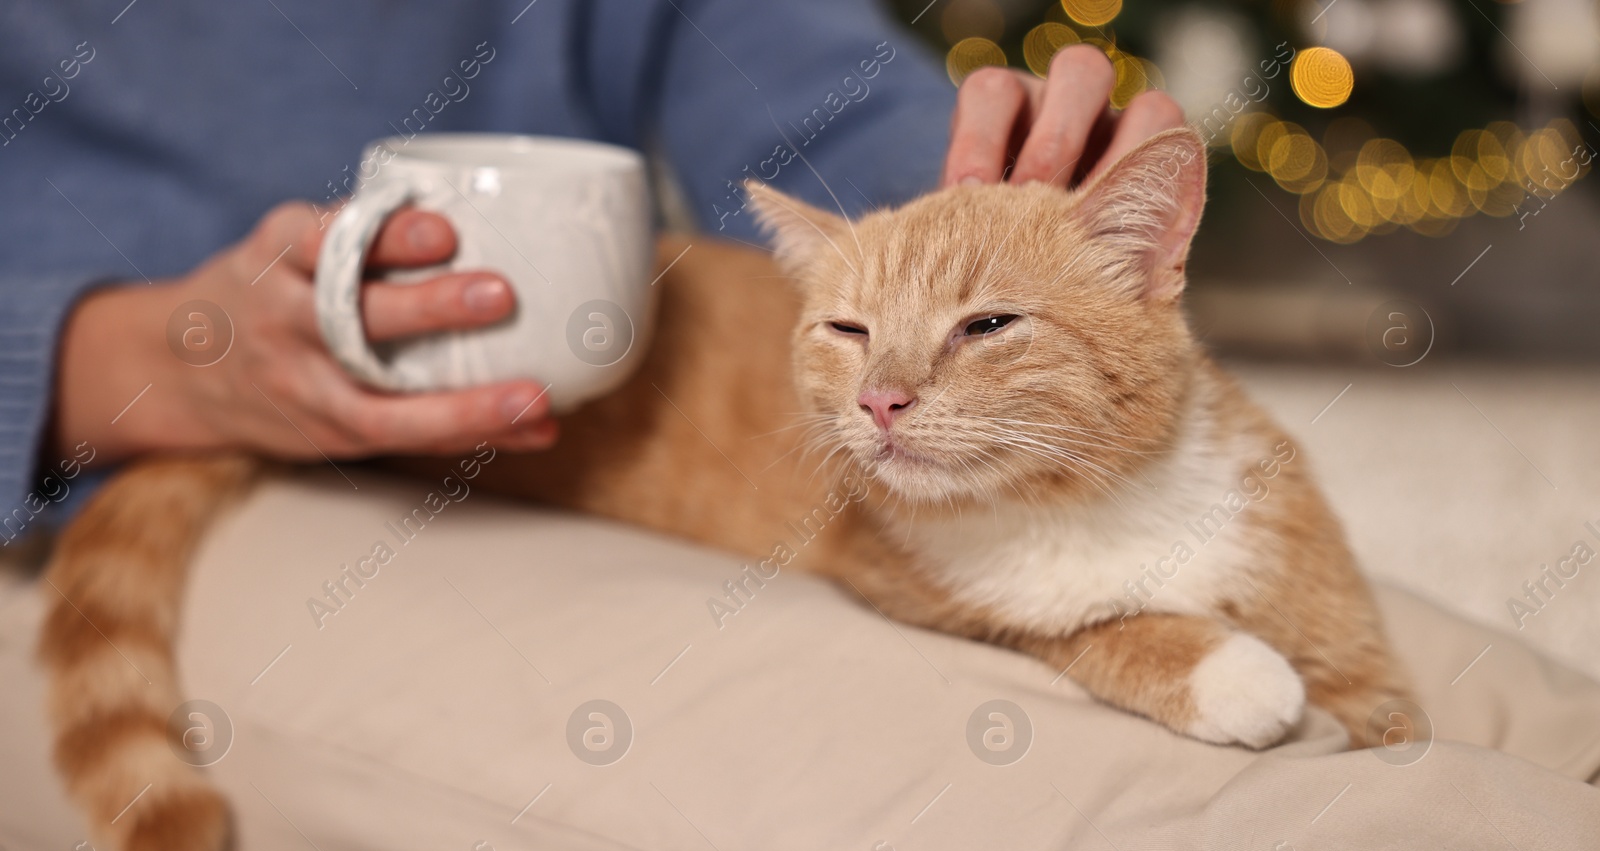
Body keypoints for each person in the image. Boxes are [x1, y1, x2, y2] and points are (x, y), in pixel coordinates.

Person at [0, 1, 1181, 527]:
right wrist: (116, 360)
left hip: (561, 459)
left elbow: (818, 121)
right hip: (121, 496)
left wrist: (1006, 226)